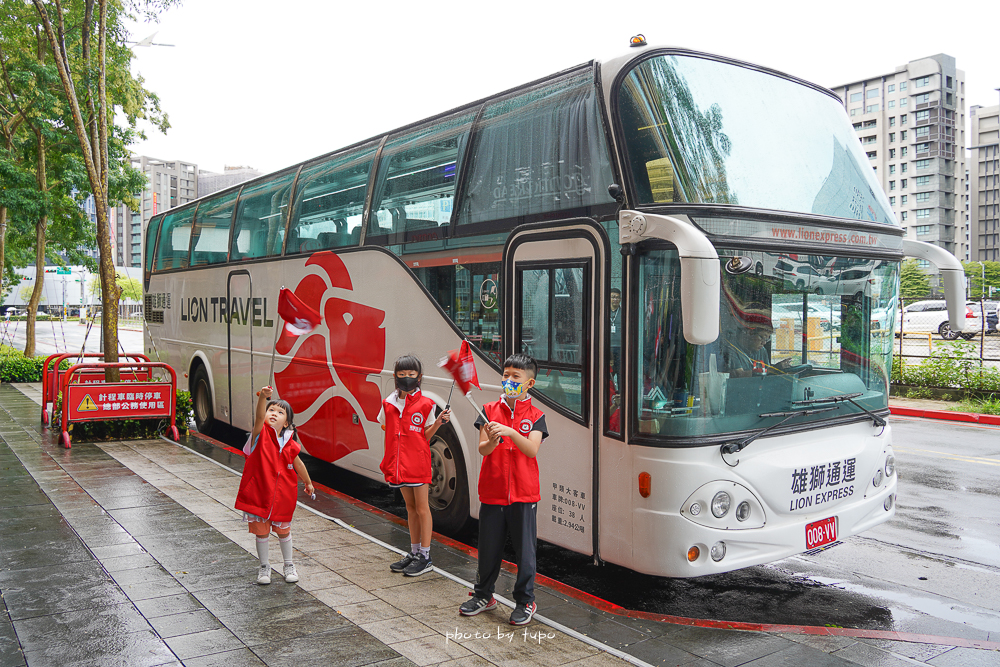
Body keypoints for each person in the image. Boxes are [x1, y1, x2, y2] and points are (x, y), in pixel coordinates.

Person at [459, 353, 547, 626]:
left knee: (525, 552)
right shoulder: (487, 410)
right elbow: (483, 449)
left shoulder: (536, 416)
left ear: (529, 384)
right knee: (488, 548)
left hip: (524, 494)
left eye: (515, 377)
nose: (508, 380)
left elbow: (531, 449)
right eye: (506, 375)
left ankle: (525, 601)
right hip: (493, 491)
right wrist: (494, 439)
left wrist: (509, 432)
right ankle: (484, 595)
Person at [379, 355, 451, 577]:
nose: (407, 378)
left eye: (411, 375)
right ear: (395, 377)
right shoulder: (388, 403)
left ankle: (426, 556)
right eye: (402, 375)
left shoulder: (426, 404)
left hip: (418, 464)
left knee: (422, 508)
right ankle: (414, 551)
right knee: (410, 508)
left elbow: (425, 436)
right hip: (398, 465)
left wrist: (438, 422)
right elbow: (385, 427)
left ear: (419, 378)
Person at [235, 386, 315, 585]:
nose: (274, 414)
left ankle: (288, 565)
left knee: (284, 532)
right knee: (261, 533)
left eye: (280, 412)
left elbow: (298, 464)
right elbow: (259, 417)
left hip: (282, 497)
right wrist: (263, 398)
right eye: (271, 410)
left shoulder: (290, 443)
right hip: (259, 496)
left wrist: (308, 482)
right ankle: (264, 567)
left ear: (286, 422)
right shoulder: (259, 435)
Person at [609, 288, 623, 378]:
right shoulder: (604, 312)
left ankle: (621, 392)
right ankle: (609, 391)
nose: (615, 299)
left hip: (620, 347)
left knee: (620, 371)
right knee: (609, 372)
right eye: (613, 297)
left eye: (617, 297)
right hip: (608, 347)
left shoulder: (624, 312)